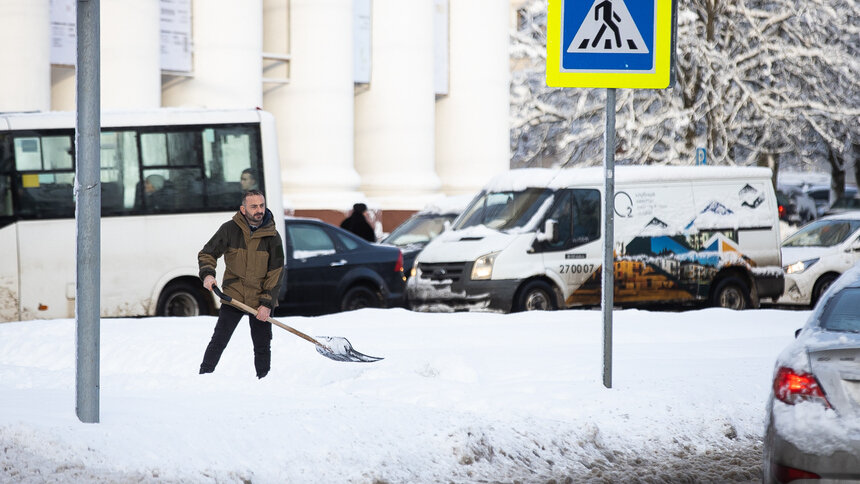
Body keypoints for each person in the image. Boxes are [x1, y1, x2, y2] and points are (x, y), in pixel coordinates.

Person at [198, 189, 285, 379]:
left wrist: (267, 303)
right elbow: (207, 253)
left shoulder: (272, 236)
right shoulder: (229, 229)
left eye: (261, 205)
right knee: (219, 340)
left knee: (262, 345)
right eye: (254, 206)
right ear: (243, 209)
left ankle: (264, 380)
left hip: (260, 300)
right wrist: (207, 275)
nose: (259, 210)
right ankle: (203, 377)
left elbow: (276, 272)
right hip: (234, 296)